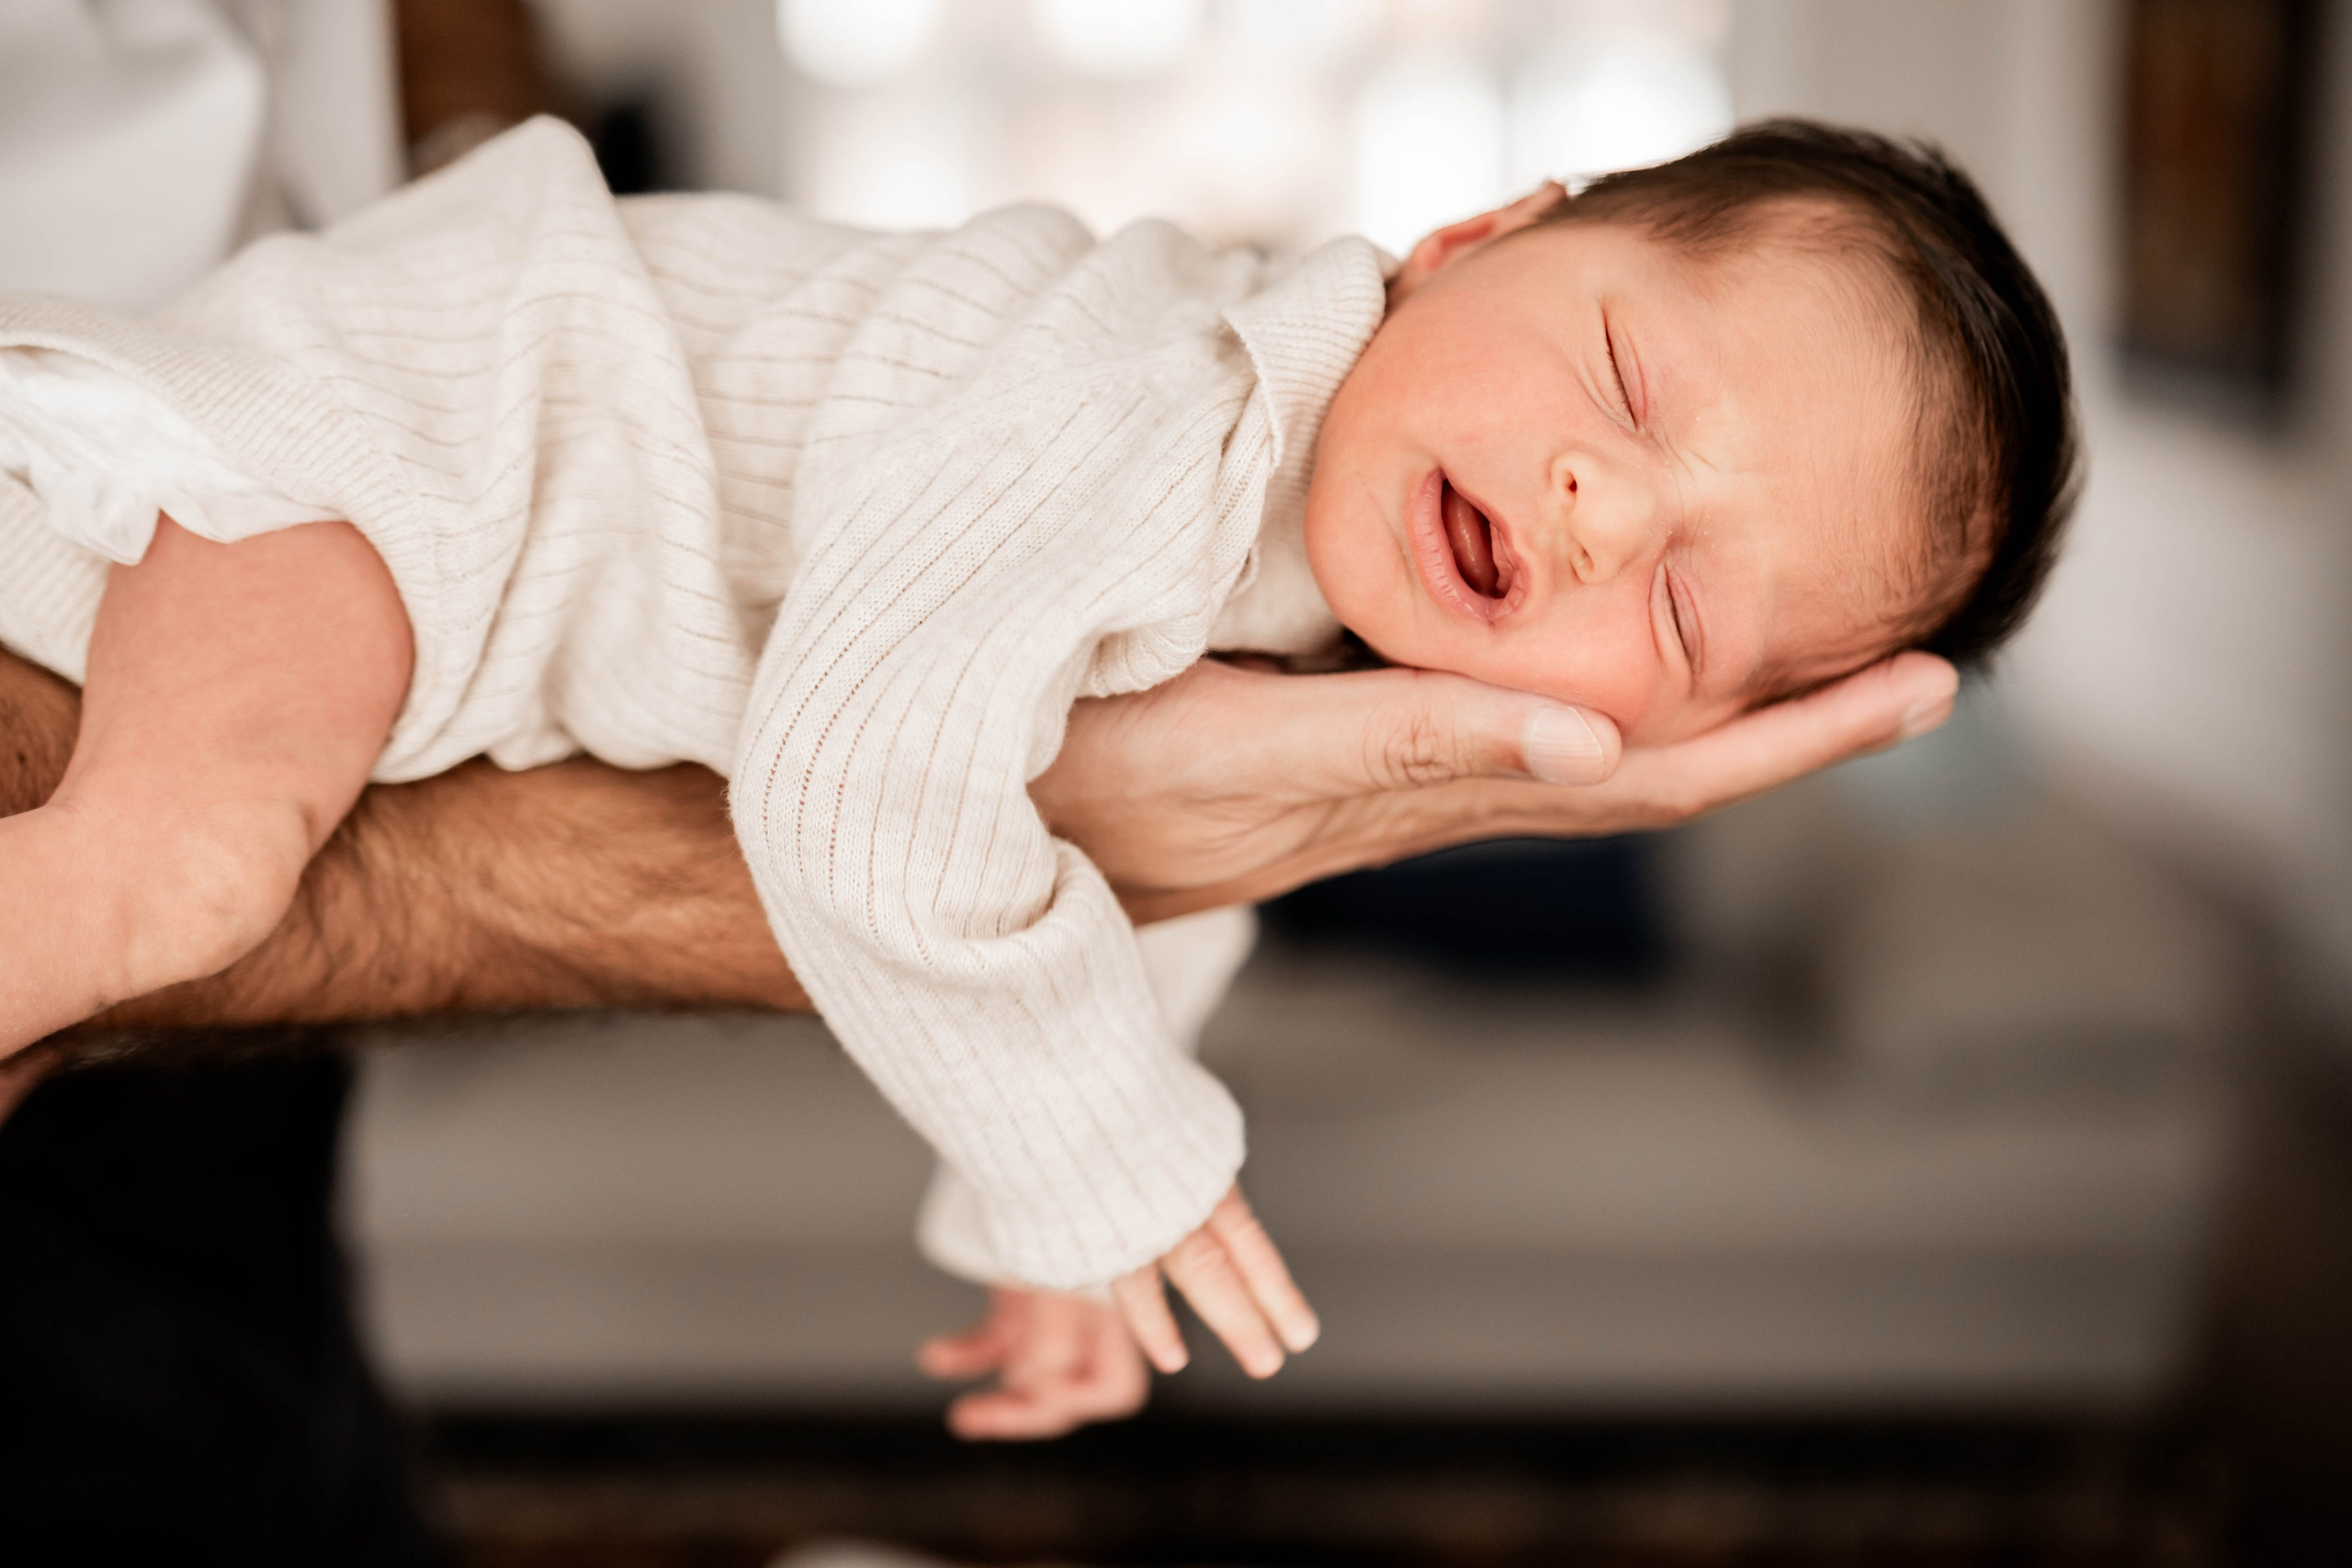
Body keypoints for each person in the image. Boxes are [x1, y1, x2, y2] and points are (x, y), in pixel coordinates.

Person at [0, 118, 2064, 1435]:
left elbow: (1138, 883)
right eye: (1623, 381)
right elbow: (851, 775)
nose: (1599, 508)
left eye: (1689, 609)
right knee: (172, 881)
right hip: (389, 447)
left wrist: (1027, 1214)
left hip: (437, 570)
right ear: (1466, 231)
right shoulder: (1170, 405)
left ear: (1681, 729)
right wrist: (1101, 1150)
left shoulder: (1295, 617)